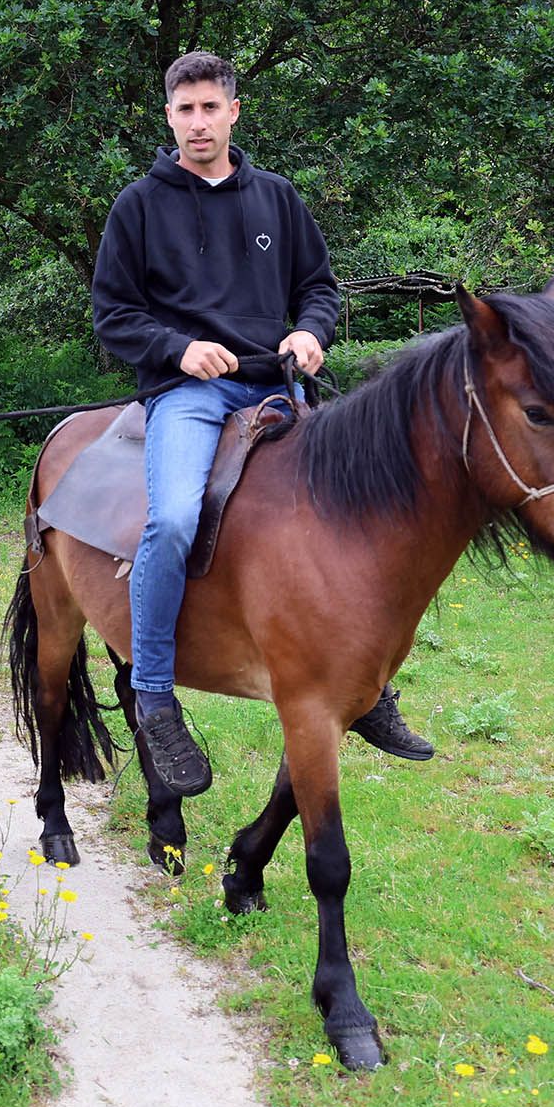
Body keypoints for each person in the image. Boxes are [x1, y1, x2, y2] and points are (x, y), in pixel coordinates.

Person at [91, 50, 432, 797]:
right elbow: (113, 315)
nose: (198, 122)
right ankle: (152, 692)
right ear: (168, 116)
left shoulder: (276, 198)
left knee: (357, 518)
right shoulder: (138, 205)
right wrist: (179, 350)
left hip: (275, 387)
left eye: (211, 107)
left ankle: (368, 687)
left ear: (235, 111)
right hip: (187, 396)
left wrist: (311, 333)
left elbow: (319, 287)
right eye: (185, 110)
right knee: (175, 518)